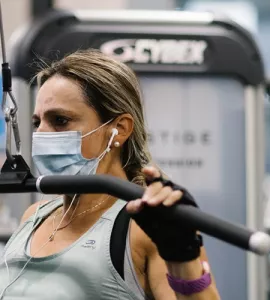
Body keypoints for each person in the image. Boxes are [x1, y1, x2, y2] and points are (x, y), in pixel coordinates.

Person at [0, 49, 220, 300]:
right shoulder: (34, 216)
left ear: (119, 129)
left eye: (60, 120)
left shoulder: (142, 228)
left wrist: (183, 259)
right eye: (38, 122)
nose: (42, 135)